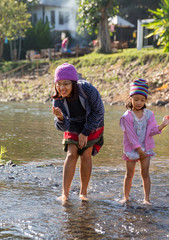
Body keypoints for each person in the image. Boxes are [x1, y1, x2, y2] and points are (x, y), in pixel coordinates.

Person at [52, 63, 105, 202]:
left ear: (73, 83)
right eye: (58, 84)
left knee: (86, 154)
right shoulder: (57, 99)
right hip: (73, 123)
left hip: (92, 122)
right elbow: (62, 127)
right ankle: (65, 193)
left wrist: (86, 132)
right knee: (71, 153)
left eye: (66, 84)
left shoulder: (88, 89)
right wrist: (60, 118)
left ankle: (83, 192)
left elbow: (99, 112)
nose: (62, 88)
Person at [119, 79, 169, 205]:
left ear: (145, 100)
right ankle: (126, 197)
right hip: (132, 149)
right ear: (130, 99)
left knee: (145, 173)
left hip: (146, 147)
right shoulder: (127, 116)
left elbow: (152, 131)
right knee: (129, 173)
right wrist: (139, 150)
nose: (139, 102)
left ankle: (146, 199)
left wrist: (163, 125)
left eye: (142, 100)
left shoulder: (148, 114)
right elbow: (131, 136)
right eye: (136, 99)